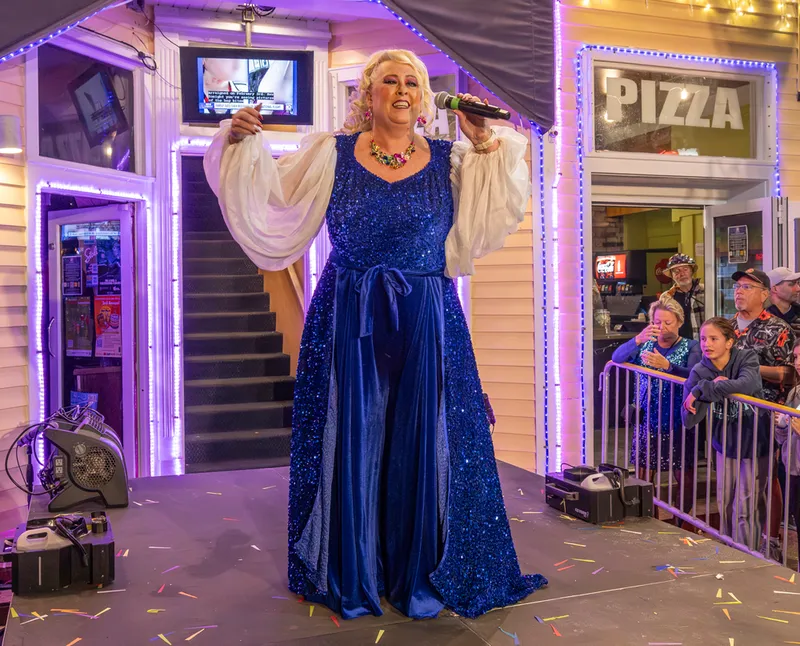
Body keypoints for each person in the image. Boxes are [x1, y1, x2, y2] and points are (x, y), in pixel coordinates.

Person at [203, 49, 546, 620]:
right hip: (348, 313)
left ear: (424, 97)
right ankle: (353, 570)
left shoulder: (452, 159)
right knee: (351, 435)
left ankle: (419, 571)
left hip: (428, 315)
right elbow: (271, 191)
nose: (402, 89)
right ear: (369, 95)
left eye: (412, 81)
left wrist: (484, 138)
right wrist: (239, 142)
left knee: (426, 439)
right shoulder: (331, 153)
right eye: (389, 80)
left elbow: (495, 204)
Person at [682, 318, 766, 549]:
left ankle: (748, 553)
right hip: (724, 443)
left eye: (713, 338)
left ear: (729, 342)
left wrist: (704, 389)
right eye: (703, 339)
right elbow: (688, 418)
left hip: (753, 441)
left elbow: (747, 385)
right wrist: (698, 391)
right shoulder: (700, 370)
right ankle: (730, 550)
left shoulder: (746, 358)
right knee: (725, 502)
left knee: (746, 505)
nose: (706, 344)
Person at [611, 298, 701, 512]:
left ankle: (682, 519)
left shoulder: (691, 346)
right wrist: (637, 339)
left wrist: (668, 366)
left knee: (683, 472)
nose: (662, 327)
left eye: (668, 322)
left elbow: (694, 374)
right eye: (657, 322)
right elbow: (616, 357)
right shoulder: (646, 344)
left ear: (680, 322)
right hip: (646, 419)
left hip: (677, 419)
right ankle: (648, 516)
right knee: (644, 473)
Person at [775, 338, 800, 571]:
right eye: (796, 357)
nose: (798, 362)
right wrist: (782, 426)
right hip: (793, 467)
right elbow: (783, 438)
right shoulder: (795, 392)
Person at [661, 253, 705, 341]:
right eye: (676, 272)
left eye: (685, 269)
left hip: (704, 344)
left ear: (691, 271)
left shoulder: (707, 291)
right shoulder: (666, 297)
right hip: (676, 344)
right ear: (672, 276)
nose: (682, 274)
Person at [767, 267, 800, 339]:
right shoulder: (763, 319)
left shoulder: (798, 312)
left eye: (798, 283)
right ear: (775, 289)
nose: (798, 288)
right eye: (792, 284)